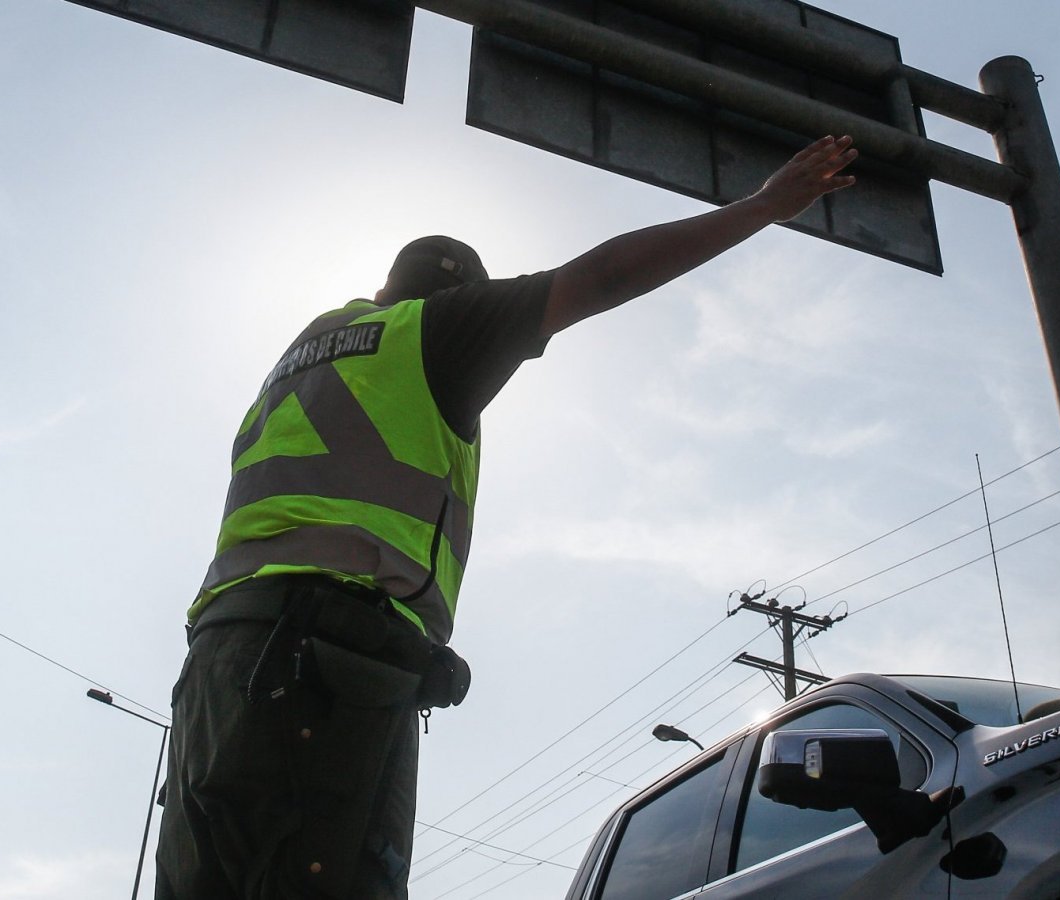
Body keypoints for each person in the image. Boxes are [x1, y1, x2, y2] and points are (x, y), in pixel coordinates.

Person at [154, 135, 858, 898]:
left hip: (217, 667)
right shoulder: (435, 332)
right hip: (324, 663)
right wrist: (762, 206)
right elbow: (601, 277)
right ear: (457, 297)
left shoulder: (302, 357)